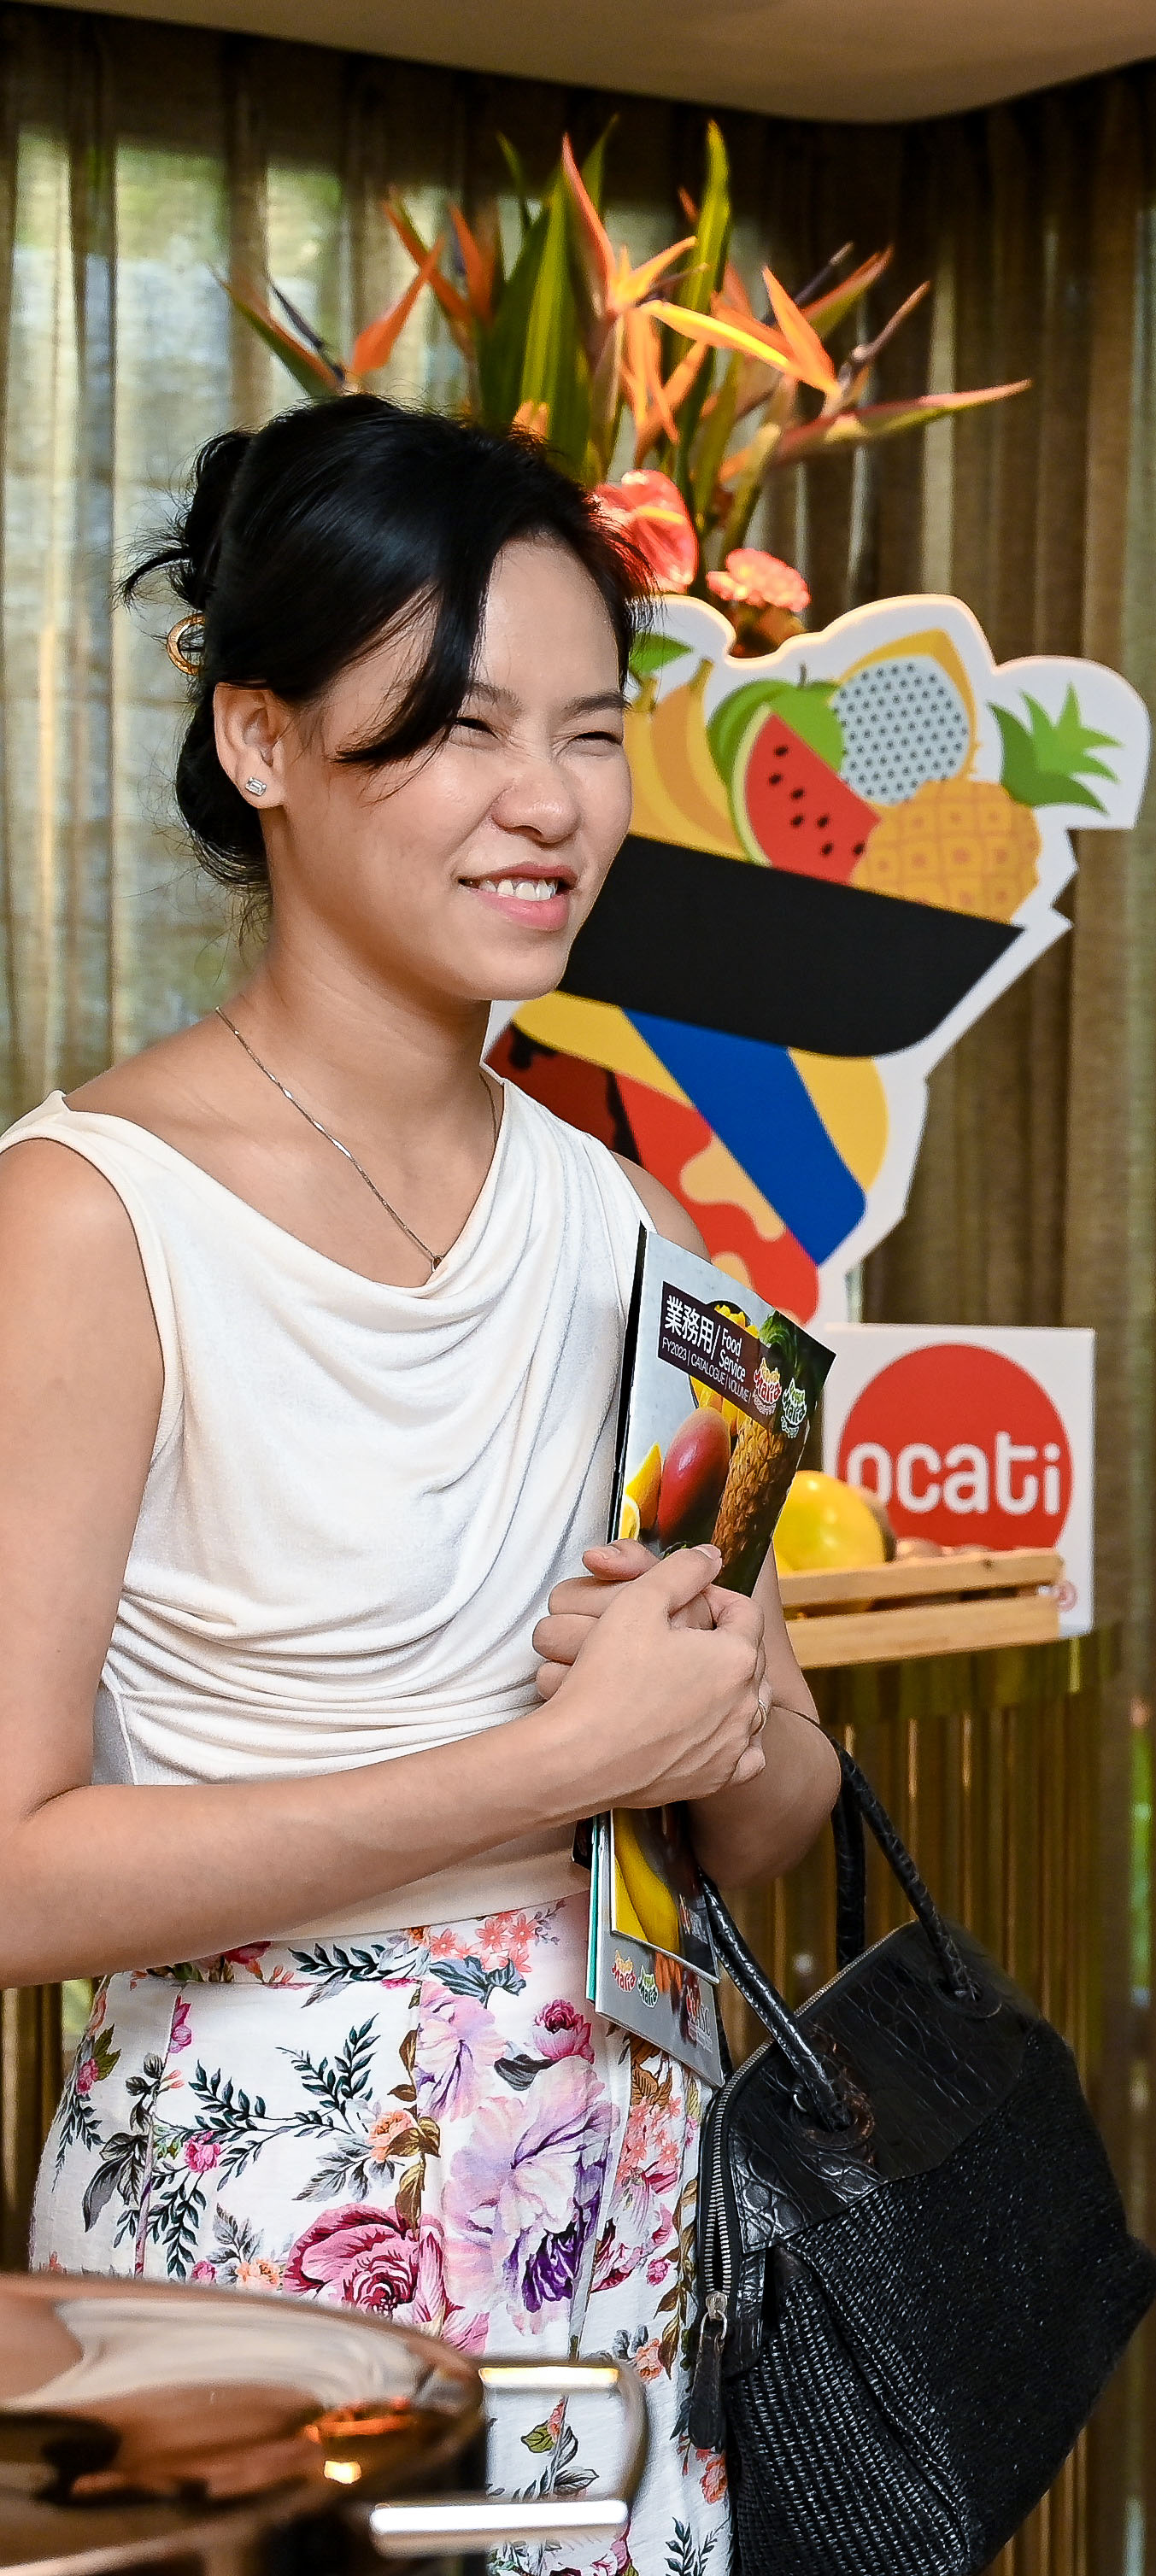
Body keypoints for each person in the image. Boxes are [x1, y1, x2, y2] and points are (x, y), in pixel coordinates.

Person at [0, 396, 842, 2571]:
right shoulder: (94, 1216)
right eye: (458, 728)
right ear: (263, 740)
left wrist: (727, 1704)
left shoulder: (624, 1221)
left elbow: (762, 1818)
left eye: (591, 728)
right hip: (260, 2213)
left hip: (619, 2206)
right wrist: (544, 1765)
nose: (547, 804)